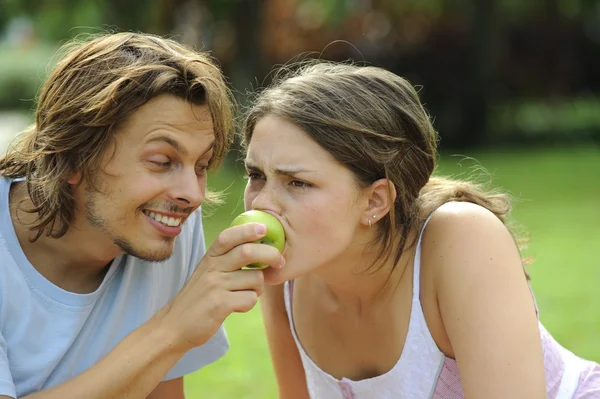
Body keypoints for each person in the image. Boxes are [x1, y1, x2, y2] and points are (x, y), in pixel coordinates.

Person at [241, 61, 600, 398]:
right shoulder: (286, 277)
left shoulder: (462, 239)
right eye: (256, 176)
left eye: (298, 183)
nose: (261, 204)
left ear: (375, 201)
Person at [0, 32, 284, 398]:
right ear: (71, 158)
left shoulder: (168, 227)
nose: (193, 195)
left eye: (200, 165)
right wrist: (174, 328)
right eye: (162, 161)